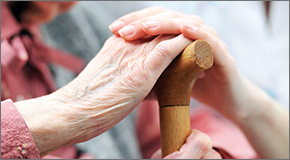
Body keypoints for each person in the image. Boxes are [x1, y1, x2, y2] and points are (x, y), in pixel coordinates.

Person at [1, 1, 289, 159]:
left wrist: (246, 108)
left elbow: (163, 132)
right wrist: (72, 108)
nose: (64, 5)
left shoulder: (83, 21)